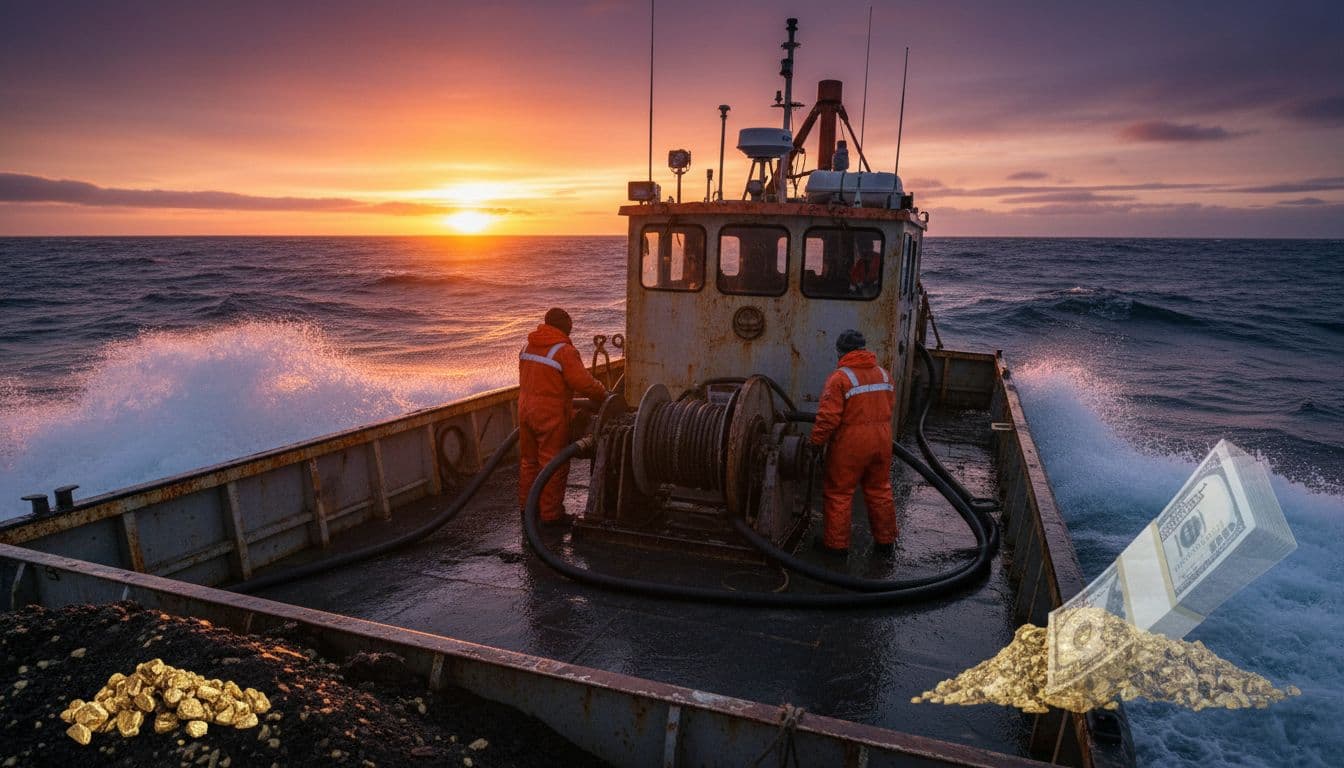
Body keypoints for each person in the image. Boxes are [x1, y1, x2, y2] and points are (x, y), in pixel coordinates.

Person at [808, 329, 898, 555]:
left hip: (851, 444)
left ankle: (836, 548)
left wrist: (816, 443)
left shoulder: (840, 378)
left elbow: (828, 418)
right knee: (880, 490)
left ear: (840, 352)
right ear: (863, 348)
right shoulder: (884, 374)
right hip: (882, 440)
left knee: (839, 493)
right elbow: (889, 406)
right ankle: (886, 542)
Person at [518, 308, 608, 525]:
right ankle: (550, 516)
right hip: (549, 415)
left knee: (529, 462)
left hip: (524, 410)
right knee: (553, 463)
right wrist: (604, 394)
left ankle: (527, 509)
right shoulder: (563, 351)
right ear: (565, 325)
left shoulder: (528, 346)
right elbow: (583, 383)